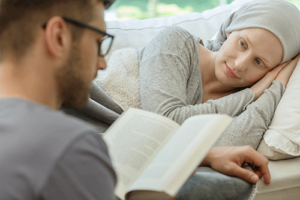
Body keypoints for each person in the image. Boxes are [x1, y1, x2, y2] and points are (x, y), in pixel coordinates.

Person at [0, 0, 271, 200]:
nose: (103, 63)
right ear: (58, 37)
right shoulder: (71, 148)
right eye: (98, 43)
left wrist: (205, 155)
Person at [136, 0, 300, 150]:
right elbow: (161, 126)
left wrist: (275, 85)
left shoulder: (247, 109)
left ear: (271, 71)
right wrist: (251, 94)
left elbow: (232, 147)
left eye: (259, 62)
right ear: (231, 30)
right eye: (243, 44)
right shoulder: (176, 42)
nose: (239, 65)